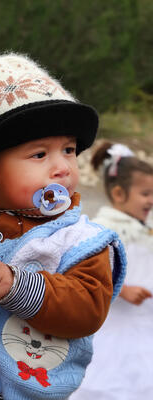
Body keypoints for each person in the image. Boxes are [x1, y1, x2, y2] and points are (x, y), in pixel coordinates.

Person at [0, 53, 126, 400]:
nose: (62, 167)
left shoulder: (81, 240)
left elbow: (88, 306)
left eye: (68, 150)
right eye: (40, 155)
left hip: (28, 391)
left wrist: (20, 286)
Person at [72, 142, 153, 400]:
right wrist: (122, 289)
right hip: (114, 323)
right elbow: (86, 275)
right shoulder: (105, 230)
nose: (152, 201)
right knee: (110, 379)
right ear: (119, 194)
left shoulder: (145, 227)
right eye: (146, 193)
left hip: (143, 321)